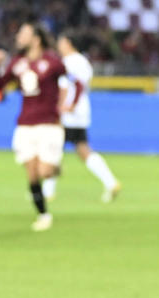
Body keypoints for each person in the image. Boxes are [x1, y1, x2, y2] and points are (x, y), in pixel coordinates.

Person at [0, 22, 68, 232]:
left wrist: (63, 105)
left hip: (49, 124)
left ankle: (55, 167)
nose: (18, 37)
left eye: (23, 33)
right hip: (25, 123)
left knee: (45, 171)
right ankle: (43, 214)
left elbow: (67, 83)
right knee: (32, 174)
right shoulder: (17, 63)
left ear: (36, 38)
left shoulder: (53, 62)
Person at [39, 32, 121, 203]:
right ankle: (110, 181)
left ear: (69, 43)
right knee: (82, 149)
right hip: (81, 112)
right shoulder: (83, 62)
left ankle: (47, 191)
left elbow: (72, 85)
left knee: (53, 148)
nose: (59, 45)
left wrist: (64, 106)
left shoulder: (68, 62)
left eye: (61, 42)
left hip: (68, 112)